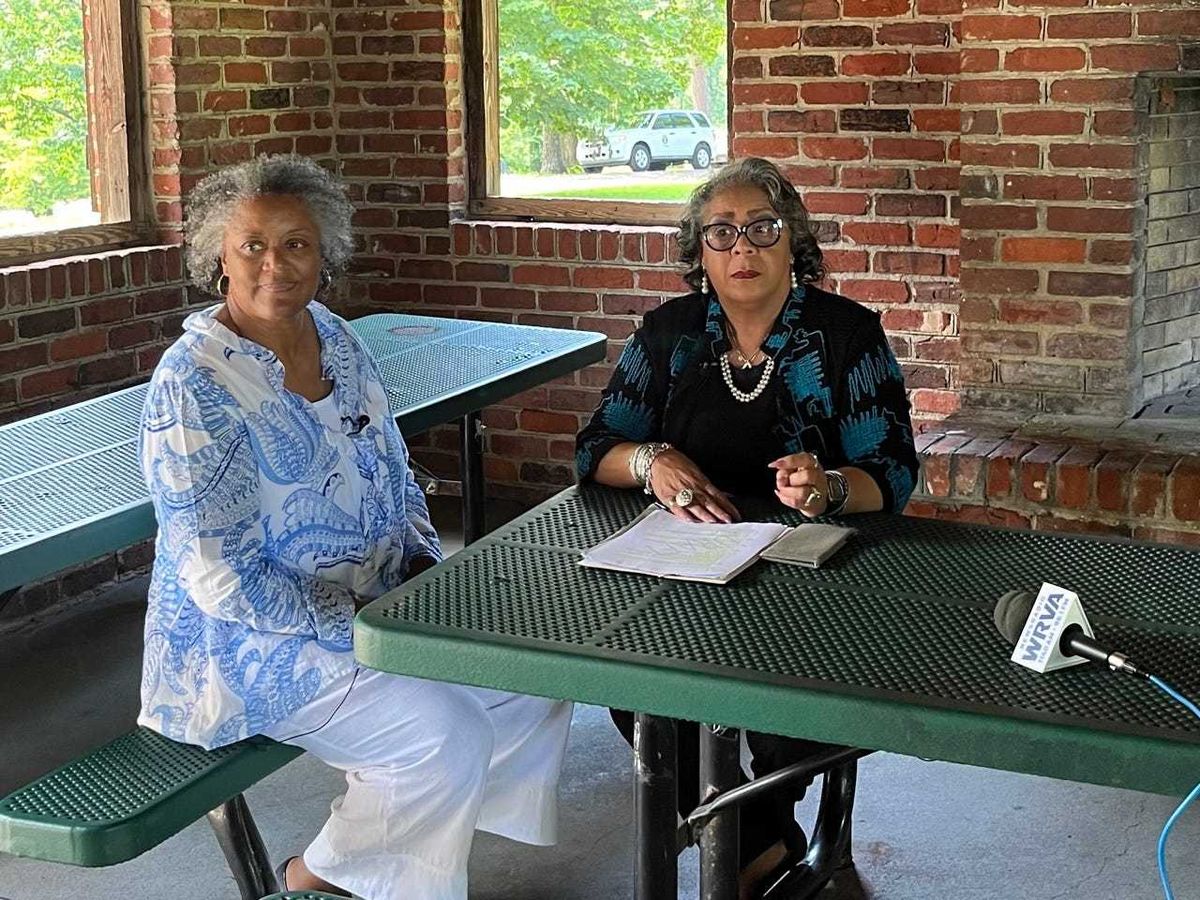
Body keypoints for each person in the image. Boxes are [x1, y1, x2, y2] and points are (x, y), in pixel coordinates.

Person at [138, 154, 573, 900]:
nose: (275, 264)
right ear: (218, 256)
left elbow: (395, 471)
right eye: (252, 245)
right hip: (250, 649)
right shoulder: (193, 387)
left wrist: (428, 577)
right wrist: (367, 627)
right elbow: (221, 578)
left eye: (296, 244)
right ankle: (324, 876)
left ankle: (394, 850)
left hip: (379, 604)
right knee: (445, 735)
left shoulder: (334, 336)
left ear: (324, 254)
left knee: (531, 676)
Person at [576, 157, 918, 896]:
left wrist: (827, 486)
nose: (743, 248)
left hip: (812, 567)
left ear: (792, 238)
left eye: (762, 228)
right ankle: (755, 838)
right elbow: (596, 448)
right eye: (721, 233)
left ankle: (744, 832)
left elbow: (892, 472)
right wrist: (653, 462)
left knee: (779, 699)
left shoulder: (845, 338)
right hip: (688, 563)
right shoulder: (669, 335)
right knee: (631, 678)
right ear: (698, 251)